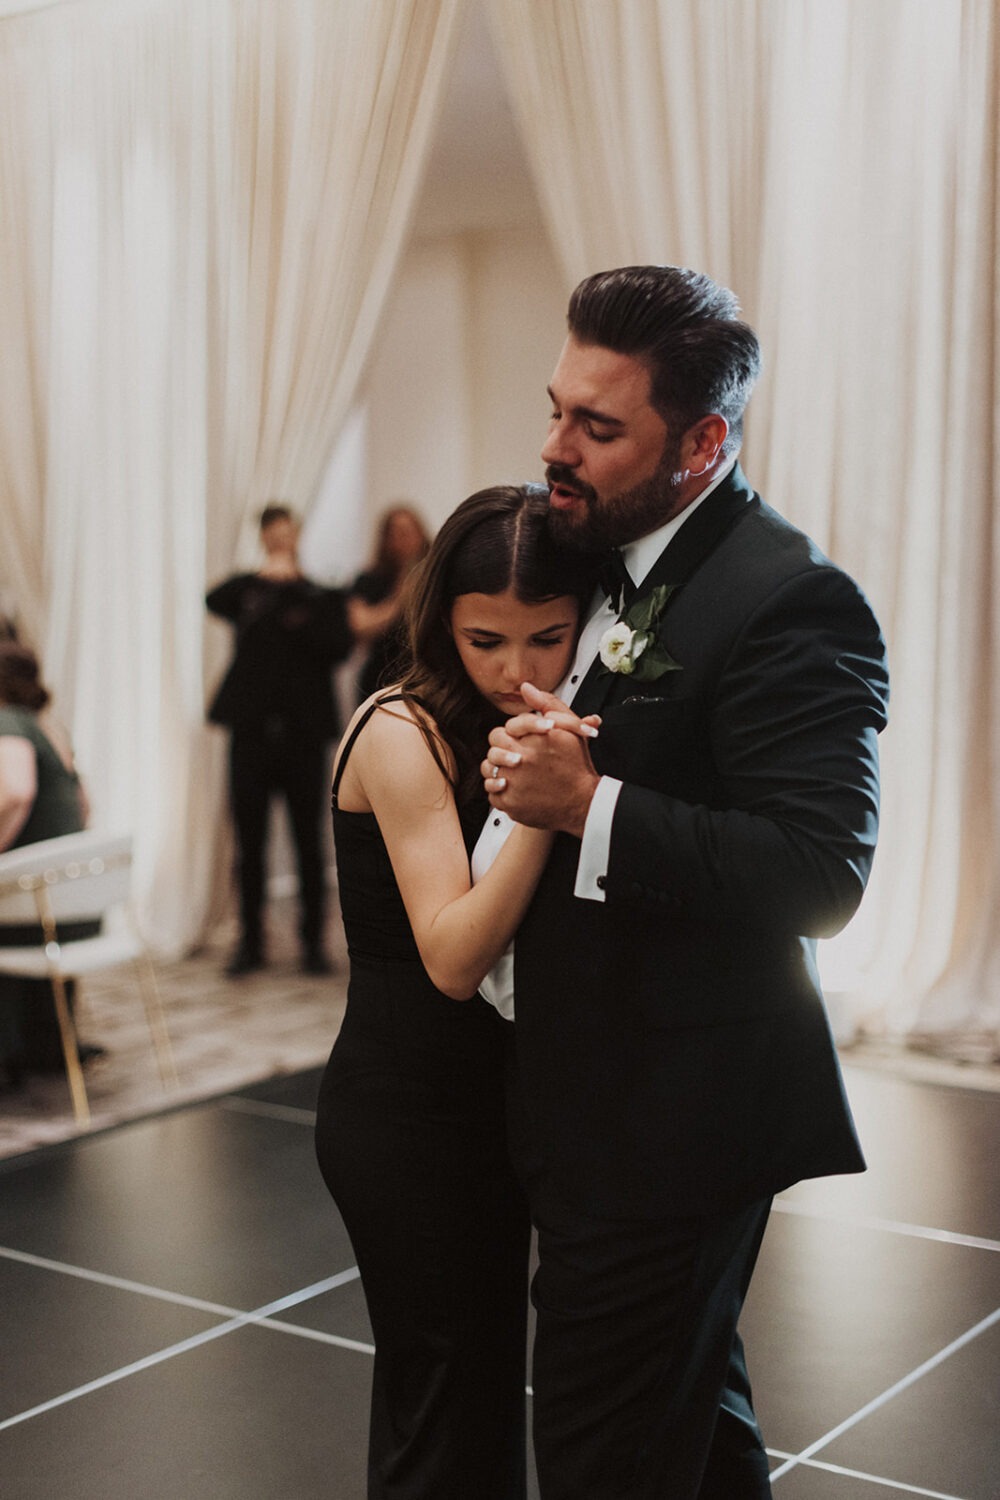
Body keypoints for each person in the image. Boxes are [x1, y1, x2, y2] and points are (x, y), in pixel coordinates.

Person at [478, 266, 890, 1499]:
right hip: (596, 1098)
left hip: (676, 1121)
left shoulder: (788, 599)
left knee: (607, 1460)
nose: (555, 447)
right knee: (692, 1434)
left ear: (704, 441)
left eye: (597, 428)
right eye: (555, 409)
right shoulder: (596, 554)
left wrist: (590, 805)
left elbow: (821, 871)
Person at [314, 485, 600, 1500]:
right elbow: (451, 956)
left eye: (547, 637)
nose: (516, 671)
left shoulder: (513, 717)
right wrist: (547, 798)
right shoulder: (401, 730)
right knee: (439, 1405)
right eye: (485, 640)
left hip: (493, 1109)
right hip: (406, 1116)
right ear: (440, 621)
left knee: (484, 1397)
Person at [206, 503, 352, 977]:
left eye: (286, 532)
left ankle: (312, 942)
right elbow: (214, 599)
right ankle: (250, 940)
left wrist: (294, 588)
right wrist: (267, 581)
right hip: (250, 732)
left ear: (298, 534)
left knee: (309, 840)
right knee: (249, 843)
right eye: (272, 533)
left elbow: (337, 646)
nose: (280, 540)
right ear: (264, 536)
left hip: (303, 736)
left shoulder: (318, 594)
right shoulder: (247, 591)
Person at [0, 641, 99, 1088]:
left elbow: (16, 791)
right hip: (76, 912)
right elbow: (85, 805)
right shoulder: (49, 726)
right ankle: (51, 1044)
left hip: (36, 916)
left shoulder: (8, 722)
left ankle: (9, 1053)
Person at [347, 504, 431, 703]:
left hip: (425, 673)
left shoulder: (434, 578)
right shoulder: (369, 579)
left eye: (410, 531)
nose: (406, 539)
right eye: (398, 532)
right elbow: (361, 626)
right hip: (380, 674)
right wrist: (401, 596)